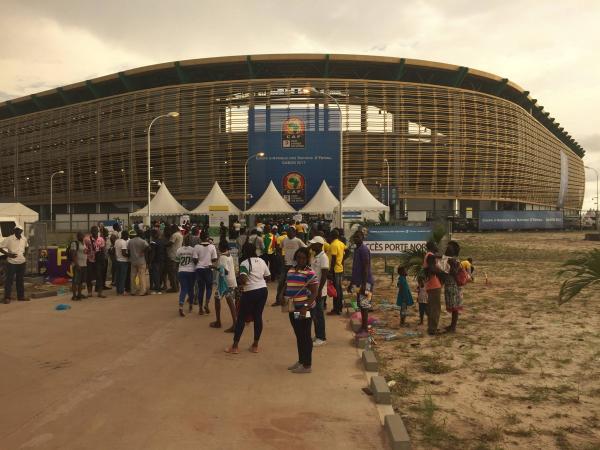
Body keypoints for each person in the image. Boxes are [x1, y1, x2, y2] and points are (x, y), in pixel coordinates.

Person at [225, 241, 270, 354]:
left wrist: (239, 278)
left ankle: (235, 346)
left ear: (244, 251)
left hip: (250, 292)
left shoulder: (245, 263)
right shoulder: (262, 261)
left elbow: (244, 279)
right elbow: (268, 277)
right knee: (258, 317)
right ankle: (255, 345)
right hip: (263, 291)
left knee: (241, 318)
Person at [285, 247, 319, 374]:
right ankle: (301, 361)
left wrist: (305, 307)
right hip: (292, 307)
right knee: (299, 334)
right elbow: (287, 284)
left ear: (307, 259)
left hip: (304, 308)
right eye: (298, 257)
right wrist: (282, 295)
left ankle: (307, 365)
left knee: (305, 335)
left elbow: (314, 293)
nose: (300, 260)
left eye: (303, 258)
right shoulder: (292, 269)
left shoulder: (310, 273)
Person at [348, 231, 373, 338]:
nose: (356, 239)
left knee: (364, 305)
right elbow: (356, 269)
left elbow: (366, 268)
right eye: (355, 237)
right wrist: (351, 283)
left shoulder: (363, 250)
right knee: (361, 305)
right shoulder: (357, 250)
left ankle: (365, 329)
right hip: (359, 283)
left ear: (363, 237)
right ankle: (363, 327)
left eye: (358, 237)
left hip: (366, 283)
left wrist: (364, 285)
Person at [274, 227, 306, 306]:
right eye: (287, 233)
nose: (288, 234)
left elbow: (305, 248)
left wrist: (300, 260)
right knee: (281, 282)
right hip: (286, 265)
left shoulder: (298, 240)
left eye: (290, 232)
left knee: (294, 283)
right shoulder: (284, 240)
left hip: (295, 265)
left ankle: (294, 300)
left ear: (294, 233)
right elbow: (279, 248)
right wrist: (281, 258)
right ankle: (278, 300)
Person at [212, 241, 238, 330]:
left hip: (224, 282)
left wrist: (213, 267)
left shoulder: (222, 257)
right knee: (230, 302)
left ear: (221, 248)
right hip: (231, 281)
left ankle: (218, 322)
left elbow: (224, 271)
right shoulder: (229, 255)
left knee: (218, 299)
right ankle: (235, 323)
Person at [308, 236, 329, 346]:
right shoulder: (315, 256)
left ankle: (321, 337)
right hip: (313, 289)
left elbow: (325, 274)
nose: (312, 245)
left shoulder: (323, 257)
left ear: (320, 245)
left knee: (318, 314)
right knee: (314, 313)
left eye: (314, 244)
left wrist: (319, 290)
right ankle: (317, 335)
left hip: (319, 290)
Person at [0, 225, 30, 303]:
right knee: (9, 280)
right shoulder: (9, 239)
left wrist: (25, 255)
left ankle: (21, 296)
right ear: (14, 230)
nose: (17, 231)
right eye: (16, 229)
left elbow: (27, 247)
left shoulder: (24, 239)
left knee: (20, 280)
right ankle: (7, 298)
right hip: (11, 263)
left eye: (19, 230)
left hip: (22, 262)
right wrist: (8, 254)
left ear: (21, 231)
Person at [194, 231, 217, 315]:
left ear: (200, 238)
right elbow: (214, 259)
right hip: (208, 269)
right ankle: (206, 304)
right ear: (208, 238)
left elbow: (195, 260)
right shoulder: (212, 246)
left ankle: (200, 308)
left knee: (201, 289)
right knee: (209, 288)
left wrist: (200, 262)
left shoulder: (196, 247)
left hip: (199, 269)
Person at [442, 241, 463, 333]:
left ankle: (453, 327)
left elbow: (454, 273)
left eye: (448, 248)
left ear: (452, 251)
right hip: (450, 286)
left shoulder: (454, 261)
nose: (446, 249)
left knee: (455, 307)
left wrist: (450, 265)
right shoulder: (449, 259)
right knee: (453, 306)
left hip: (453, 286)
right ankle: (452, 325)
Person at [423, 241, 443, 336]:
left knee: (432, 307)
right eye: (435, 245)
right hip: (434, 285)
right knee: (435, 308)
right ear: (432, 247)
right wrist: (441, 272)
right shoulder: (430, 256)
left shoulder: (429, 255)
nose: (436, 246)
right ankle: (432, 329)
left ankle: (431, 328)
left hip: (431, 285)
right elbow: (432, 269)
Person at [176, 234, 197, 317]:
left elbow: (177, 260)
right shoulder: (193, 250)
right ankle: (190, 305)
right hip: (191, 271)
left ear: (183, 241)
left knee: (183, 289)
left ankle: (181, 306)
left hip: (181, 271)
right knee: (191, 289)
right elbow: (195, 260)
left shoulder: (179, 250)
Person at [327, 229, 346, 315]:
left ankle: (336, 309)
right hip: (340, 268)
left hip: (335, 270)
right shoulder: (341, 243)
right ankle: (339, 308)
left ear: (332, 236)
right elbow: (347, 251)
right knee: (339, 289)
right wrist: (341, 261)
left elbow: (333, 259)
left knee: (335, 290)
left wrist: (330, 271)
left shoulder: (333, 245)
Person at [84, 226, 106, 298]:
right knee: (89, 277)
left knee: (99, 276)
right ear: (91, 231)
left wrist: (103, 260)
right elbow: (85, 250)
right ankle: (90, 292)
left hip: (98, 261)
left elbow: (103, 250)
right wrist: (88, 250)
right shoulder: (87, 239)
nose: (95, 232)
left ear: (98, 231)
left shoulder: (101, 239)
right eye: (93, 231)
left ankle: (100, 293)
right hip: (90, 260)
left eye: (96, 230)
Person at [128, 231, 149, 296]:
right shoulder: (143, 241)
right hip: (141, 261)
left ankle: (133, 291)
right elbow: (148, 248)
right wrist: (143, 252)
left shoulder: (130, 241)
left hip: (133, 261)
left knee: (132, 276)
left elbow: (128, 251)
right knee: (142, 276)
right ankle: (142, 291)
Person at [68, 231, 87, 301]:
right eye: (80, 235)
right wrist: (77, 264)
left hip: (84, 264)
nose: (82, 236)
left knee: (81, 281)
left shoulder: (83, 243)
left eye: (83, 235)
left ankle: (79, 294)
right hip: (78, 265)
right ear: (78, 236)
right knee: (75, 281)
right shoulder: (74, 243)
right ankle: (74, 296)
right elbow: (73, 254)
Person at [165, 224, 183, 292]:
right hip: (178, 255)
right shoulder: (180, 234)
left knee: (172, 273)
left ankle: (174, 288)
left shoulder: (174, 235)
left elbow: (170, 243)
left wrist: (163, 244)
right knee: (176, 272)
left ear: (174, 229)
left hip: (173, 255)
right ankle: (177, 287)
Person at [148, 229, 165, 294]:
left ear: (153, 235)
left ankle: (157, 290)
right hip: (162, 259)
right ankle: (159, 288)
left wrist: (150, 262)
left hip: (155, 260)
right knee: (160, 274)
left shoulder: (153, 242)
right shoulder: (162, 241)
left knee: (155, 275)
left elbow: (153, 253)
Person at [114, 230, 130, 296]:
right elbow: (124, 253)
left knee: (118, 276)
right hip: (123, 261)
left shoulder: (117, 241)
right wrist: (129, 255)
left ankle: (118, 290)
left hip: (118, 260)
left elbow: (115, 251)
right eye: (127, 236)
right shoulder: (123, 242)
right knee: (123, 277)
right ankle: (122, 291)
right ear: (125, 235)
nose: (128, 237)